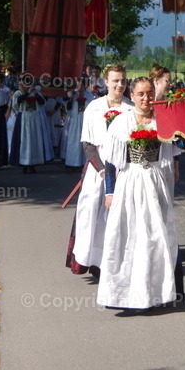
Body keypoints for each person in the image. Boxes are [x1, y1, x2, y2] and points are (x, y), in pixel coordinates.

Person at [94, 77, 184, 309]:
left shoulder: (162, 120)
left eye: (150, 93)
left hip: (155, 182)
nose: (146, 98)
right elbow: (111, 162)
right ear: (131, 97)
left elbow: (183, 145)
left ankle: (157, 292)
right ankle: (124, 294)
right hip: (130, 182)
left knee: (156, 234)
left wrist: (181, 123)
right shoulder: (121, 122)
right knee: (129, 234)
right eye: (141, 94)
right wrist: (109, 192)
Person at [67, 65, 133, 276]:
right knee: (92, 215)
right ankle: (90, 259)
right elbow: (88, 144)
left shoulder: (131, 109)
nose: (119, 85)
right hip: (98, 170)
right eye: (115, 81)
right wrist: (102, 170)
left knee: (117, 218)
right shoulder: (94, 108)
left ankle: (112, 262)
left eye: (122, 81)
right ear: (106, 82)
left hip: (123, 169)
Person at [8, 79, 49, 174]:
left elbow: (42, 102)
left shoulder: (36, 93)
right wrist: (26, 94)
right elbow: (16, 103)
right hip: (24, 117)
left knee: (34, 141)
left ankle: (33, 163)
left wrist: (34, 94)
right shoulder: (18, 93)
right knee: (24, 142)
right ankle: (24, 163)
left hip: (34, 118)